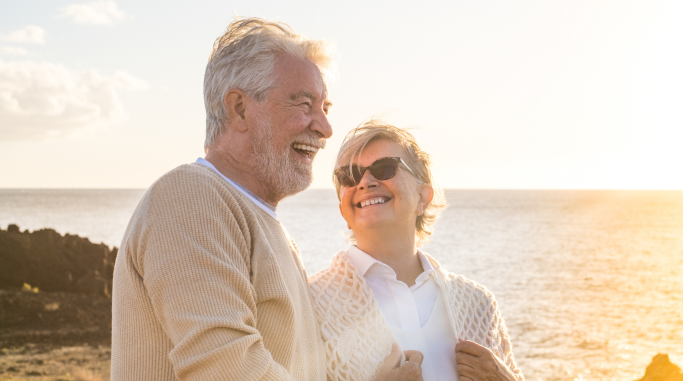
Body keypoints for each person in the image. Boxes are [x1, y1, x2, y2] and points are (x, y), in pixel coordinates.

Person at [111, 18, 335, 380]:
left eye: (326, 108)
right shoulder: (189, 196)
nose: (325, 128)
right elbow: (227, 367)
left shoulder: (271, 228)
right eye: (304, 104)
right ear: (240, 109)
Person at [309, 120, 524, 381]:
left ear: (423, 197)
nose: (364, 182)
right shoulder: (310, 303)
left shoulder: (477, 304)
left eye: (385, 168)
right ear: (343, 209)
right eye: (349, 175)